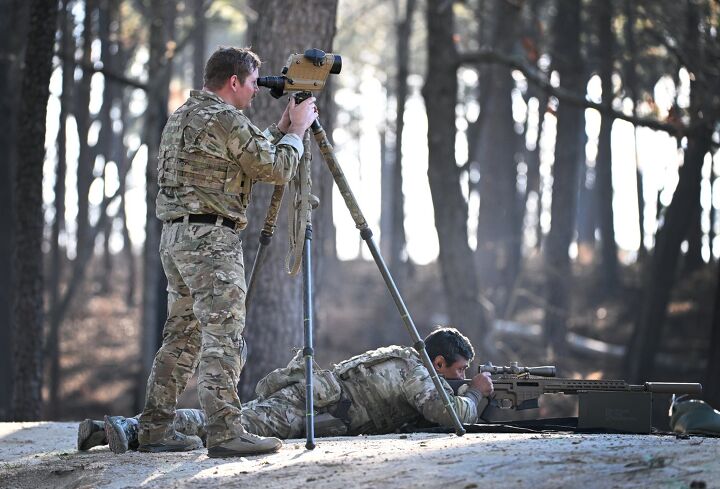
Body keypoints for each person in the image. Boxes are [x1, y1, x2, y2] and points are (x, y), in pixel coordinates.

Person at [138, 46, 317, 458]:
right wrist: (297, 133)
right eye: (253, 82)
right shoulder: (225, 117)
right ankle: (225, 432)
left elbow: (248, 156)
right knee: (223, 336)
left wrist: (282, 127)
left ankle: (155, 428)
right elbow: (274, 169)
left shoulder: (184, 115)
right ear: (234, 81)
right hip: (211, 243)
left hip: (177, 238)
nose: (257, 90)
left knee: (182, 336)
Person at [78, 328, 494, 454]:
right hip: (305, 407)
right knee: (228, 425)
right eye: (459, 371)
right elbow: (449, 417)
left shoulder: (408, 363)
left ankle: (103, 430)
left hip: (312, 404)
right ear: (439, 363)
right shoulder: (416, 369)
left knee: (228, 423)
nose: (461, 377)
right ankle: (128, 428)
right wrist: (476, 393)